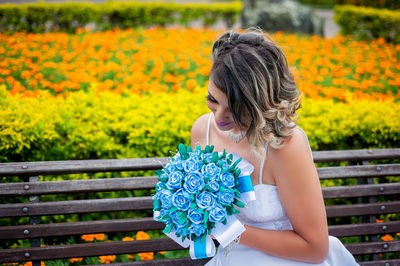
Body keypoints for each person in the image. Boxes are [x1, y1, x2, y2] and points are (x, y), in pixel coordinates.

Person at [190, 29, 359, 265]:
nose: (219, 117)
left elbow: (315, 248)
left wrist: (233, 231)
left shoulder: (286, 145)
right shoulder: (203, 130)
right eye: (212, 100)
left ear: (261, 103)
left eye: (235, 109)